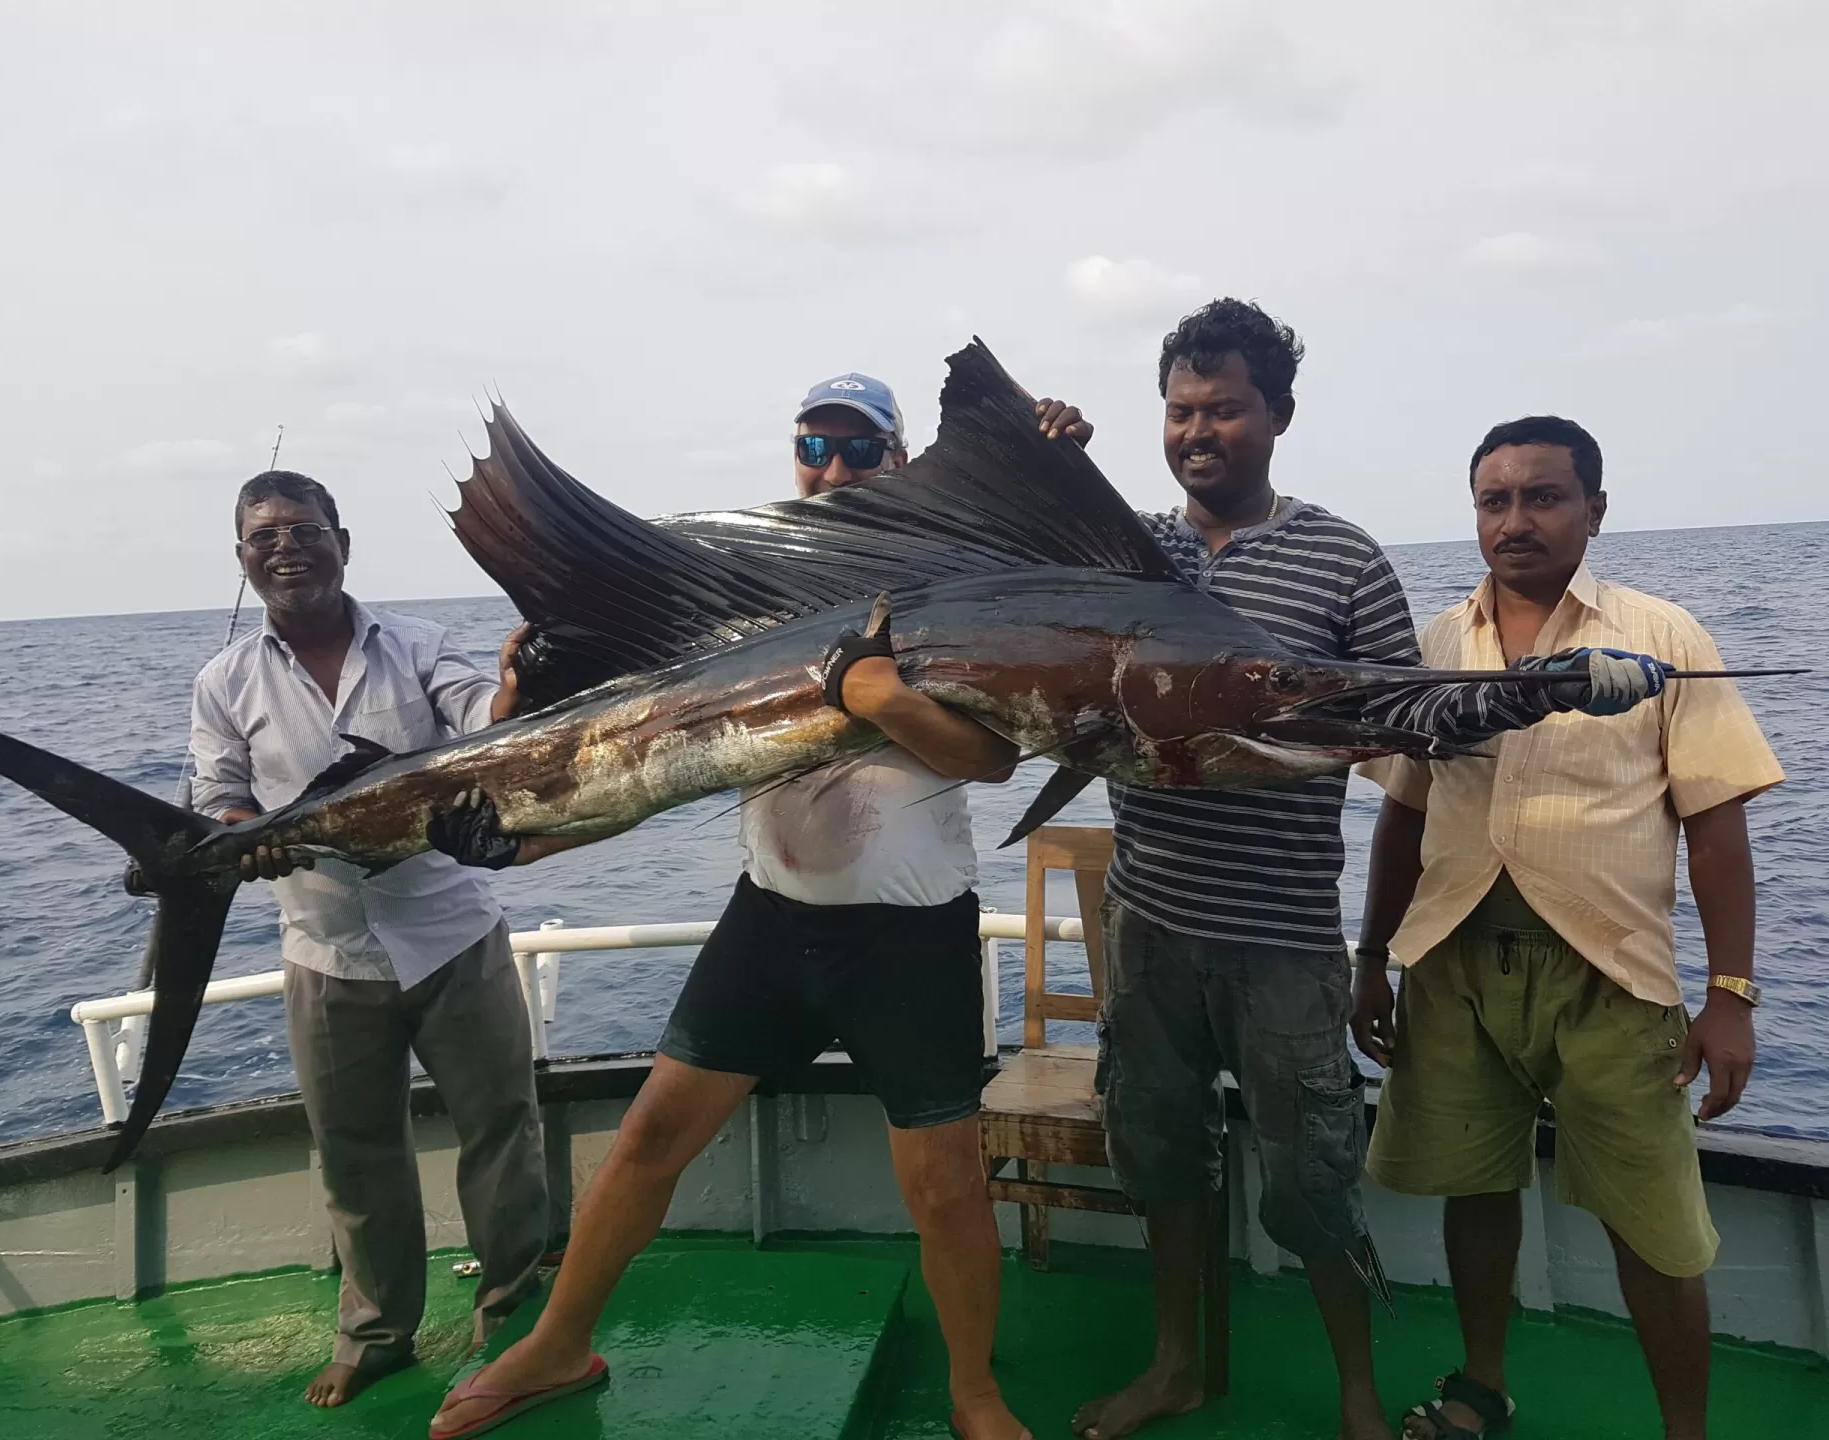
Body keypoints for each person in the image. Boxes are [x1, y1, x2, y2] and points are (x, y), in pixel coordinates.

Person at [426, 373, 1073, 1440]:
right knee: (648, 1142)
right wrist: (523, 844)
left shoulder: (947, 580)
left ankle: (974, 1391)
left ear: (902, 464)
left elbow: (995, 759)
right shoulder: (747, 593)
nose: (831, 467)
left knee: (947, 1187)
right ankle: (555, 1345)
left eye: (859, 450)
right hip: (770, 921)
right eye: (813, 445)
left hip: (909, 938)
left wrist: (887, 698)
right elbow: (657, 766)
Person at [1073, 300, 1673, 1440]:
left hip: (1284, 933)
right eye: (1181, 411)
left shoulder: (1342, 556)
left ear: (1278, 416)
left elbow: (1413, 712)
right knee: (1158, 1155)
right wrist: (1055, 457)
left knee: (1310, 1183)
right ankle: (1175, 1366)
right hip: (1148, 917)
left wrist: (1542, 687)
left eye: (1226, 409)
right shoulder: (1126, 551)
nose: (1200, 431)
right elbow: (1027, 597)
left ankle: (1354, 1389)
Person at [1352, 417, 1784, 1440]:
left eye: (1543, 497)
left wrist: (1730, 997)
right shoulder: (1435, 648)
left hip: (1612, 974)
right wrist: (1372, 961)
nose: (1516, 521)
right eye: (1494, 501)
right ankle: (1481, 1388)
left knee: (1656, 1225)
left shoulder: (1665, 637)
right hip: (1452, 963)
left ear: (1595, 509)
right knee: (1475, 1186)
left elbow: (1716, 833)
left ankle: (1686, 1430)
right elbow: (1402, 818)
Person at [188, 469, 551, 1408]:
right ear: (242, 560)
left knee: (501, 1131)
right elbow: (218, 790)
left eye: (304, 529)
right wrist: (242, 830)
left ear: (342, 543)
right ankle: (378, 1333)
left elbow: (484, 723)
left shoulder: (421, 645)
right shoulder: (224, 681)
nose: (287, 547)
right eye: (265, 535)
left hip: (451, 935)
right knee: (353, 1152)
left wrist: (518, 683)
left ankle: (516, 1317)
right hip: (324, 951)